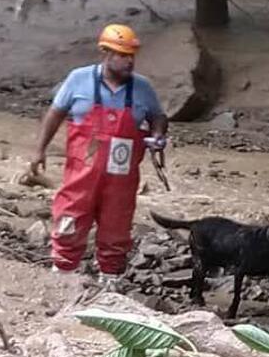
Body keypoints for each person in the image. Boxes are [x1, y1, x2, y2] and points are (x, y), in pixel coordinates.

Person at [29, 24, 168, 285]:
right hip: (81, 176)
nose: (129, 61)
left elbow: (158, 116)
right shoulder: (78, 80)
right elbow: (55, 114)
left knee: (117, 226)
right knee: (70, 218)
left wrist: (158, 136)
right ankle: (63, 277)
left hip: (121, 179)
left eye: (131, 56)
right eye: (123, 56)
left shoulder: (142, 88)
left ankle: (111, 281)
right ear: (106, 53)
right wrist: (39, 150)